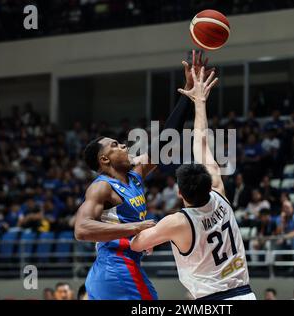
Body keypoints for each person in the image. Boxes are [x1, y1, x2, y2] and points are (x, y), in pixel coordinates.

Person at [75, 51, 212, 300]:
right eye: (115, 145)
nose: (124, 146)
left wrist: (187, 94)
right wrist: (136, 227)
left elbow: (167, 141)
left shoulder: (135, 174)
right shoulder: (101, 188)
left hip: (117, 269)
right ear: (104, 160)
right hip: (116, 267)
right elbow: (82, 229)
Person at [131, 66, 255, 300]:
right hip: (246, 295)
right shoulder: (220, 193)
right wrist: (200, 101)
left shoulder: (178, 221)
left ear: (179, 192)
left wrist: (148, 230)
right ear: (209, 184)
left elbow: (136, 245)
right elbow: (201, 141)